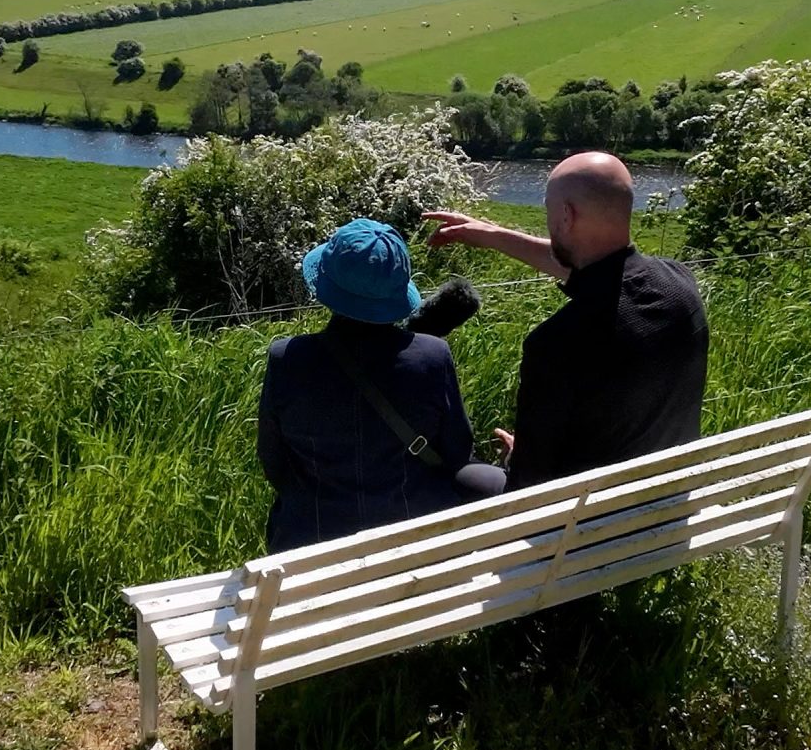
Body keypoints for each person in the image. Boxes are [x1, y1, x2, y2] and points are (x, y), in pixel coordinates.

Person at [425, 152, 708, 488]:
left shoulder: (558, 343)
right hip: (668, 500)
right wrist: (491, 233)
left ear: (565, 215)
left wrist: (516, 456)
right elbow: (598, 274)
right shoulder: (680, 285)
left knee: (463, 477)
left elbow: (529, 486)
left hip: (586, 525)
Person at [257, 219, 504, 553]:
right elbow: (457, 451)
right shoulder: (432, 355)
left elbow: (274, 463)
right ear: (398, 290)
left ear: (327, 285)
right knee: (492, 480)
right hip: (413, 543)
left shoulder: (287, 357)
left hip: (310, 543)